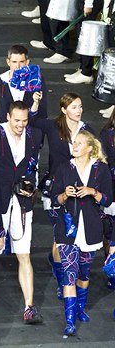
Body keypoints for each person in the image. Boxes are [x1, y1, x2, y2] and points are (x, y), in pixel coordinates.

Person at [0, 101, 44, 324]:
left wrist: (32, 187)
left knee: (24, 255)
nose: (21, 125)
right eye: (17, 120)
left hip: (22, 204)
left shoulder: (34, 136)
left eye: (24, 121)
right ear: (8, 116)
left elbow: (34, 166)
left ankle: (29, 306)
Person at [29, 93, 95, 299]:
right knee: (61, 237)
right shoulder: (53, 126)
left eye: (80, 106)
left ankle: (63, 268)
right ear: (64, 110)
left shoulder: (88, 131)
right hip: (56, 189)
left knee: (72, 236)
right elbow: (32, 121)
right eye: (74, 107)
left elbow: (95, 156)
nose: (79, 110)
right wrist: (36, 103)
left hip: (78, 191)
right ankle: (62, 280)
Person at [51, 130, 113, 335]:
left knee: (83, 273)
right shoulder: (63, 168)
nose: (74, 146)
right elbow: (54, 199)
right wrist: (63, 194)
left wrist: (92, 192)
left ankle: (79, 308)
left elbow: (108, 200)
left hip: (91, 229)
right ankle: (69, 322)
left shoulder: (100, 170)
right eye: (73, 142)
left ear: (89, 148)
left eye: (79, 143)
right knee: (70, 274)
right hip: (67, 229)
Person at [0, 45, 48, 122]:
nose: (18, 66)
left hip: (29, 128)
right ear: (8, 62)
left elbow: (42, 109)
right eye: (14, 62)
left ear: (27, 62)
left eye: (22, 62)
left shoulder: (36, 81)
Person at [99, 109, 115, 289]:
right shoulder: (107, 135)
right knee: (109, 229)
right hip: (110, 188)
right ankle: (109, 262)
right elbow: (104, 162)